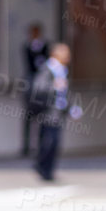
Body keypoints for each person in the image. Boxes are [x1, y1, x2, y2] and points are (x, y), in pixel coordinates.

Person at [29, 42, 77, 183]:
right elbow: (39, 87)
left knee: (54, 142)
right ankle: (42, 168)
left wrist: (71, 108)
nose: (68, 56)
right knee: (48, 141)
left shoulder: (61, 70)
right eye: (65, 53)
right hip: (48, 112)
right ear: (55, 54)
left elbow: (65, 93)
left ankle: (48, 170)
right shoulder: (48, 69)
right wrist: (54, 87)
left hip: (58, 112)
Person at [20, 24, 48, 157]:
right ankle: (26, 146)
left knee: (43, 117)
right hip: (31, 82)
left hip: (41, 83)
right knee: (29, 117)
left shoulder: (45, 46)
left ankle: (42, 146)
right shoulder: (27, 46)